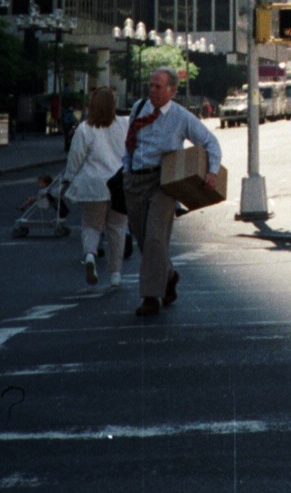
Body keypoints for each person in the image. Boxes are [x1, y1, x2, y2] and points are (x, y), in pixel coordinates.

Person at [123, 66, 222, 318]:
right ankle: (168, 276)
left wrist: (212, 171)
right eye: (151, 86)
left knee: (156, 238)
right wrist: (126, 172)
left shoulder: (181, 117)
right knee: (144, 241)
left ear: (172, 90)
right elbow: (129, 144)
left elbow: (210, 142)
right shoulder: (138, 108)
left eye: (158, 87)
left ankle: (150, 297)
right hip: (136, 180)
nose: (152, 91)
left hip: (164, 182)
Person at [61, 86, 128, 288]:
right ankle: (115, 274)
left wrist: (68, 179)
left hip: (93, 186)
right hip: (118, 185)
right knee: (117, 229)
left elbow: (76, 158)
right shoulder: (123, 126)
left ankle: (90, 256)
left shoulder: (84, 129)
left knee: (91, 226)